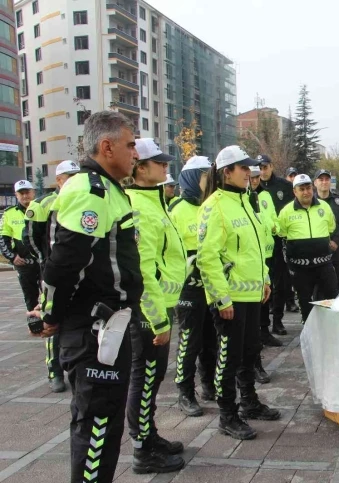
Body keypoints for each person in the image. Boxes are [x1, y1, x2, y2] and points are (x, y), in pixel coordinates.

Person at [28, 111, 143, 482]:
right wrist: (51, 314)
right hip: (94, 327)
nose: (135, 153)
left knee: (106, 426)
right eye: (130, 145)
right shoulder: (90, 189)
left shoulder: (109, 189)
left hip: (112, 323)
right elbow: (65, 263)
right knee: (95, 427)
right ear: (106, 147)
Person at [197, 145, 280, 441]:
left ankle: (249, 403)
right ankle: (227, 416)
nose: (250, 172)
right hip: (230, 300)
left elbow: (256, 248)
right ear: (226, 172)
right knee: (228, 360)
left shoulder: (247, 200)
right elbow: (207, 258)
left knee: (249, 352)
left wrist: (265, 278)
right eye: (243, 168)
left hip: (253, 294)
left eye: (250, 168)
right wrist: (221, 299)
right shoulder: (214, 205)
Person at [123, 139, 186, 474]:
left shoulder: (155, 199)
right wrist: (158, 319)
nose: (165, 167)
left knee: (153, 376)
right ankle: (141, 450)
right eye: (158, 163)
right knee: (145, 378)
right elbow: (144, 269)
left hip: (162, 304)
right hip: (150, 312)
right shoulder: (139, 205)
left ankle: (149, 437)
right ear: (139, 168)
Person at [23, 160, 81, 393]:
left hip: (77, 273)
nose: (75, 180)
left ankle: (75, 365)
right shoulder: (43, 204)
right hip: (50, 272)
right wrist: (46, 266)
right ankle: (53, 369)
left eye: (78, 175)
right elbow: (32, 239)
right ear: (58, 180)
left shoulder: (83, 199)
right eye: (69, 176)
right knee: (50, 317)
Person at [169, 155, 219, 415]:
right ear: (190, 179)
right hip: (188, 288)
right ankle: (185, 391)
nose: (209, 182)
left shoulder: (211, 206)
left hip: (212, 286)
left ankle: (208, 384)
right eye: (204, 177)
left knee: (212, 339)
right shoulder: (176, 210)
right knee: (190, 339)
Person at [277, 174, 338, 323]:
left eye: (308, 188)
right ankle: (308, 328)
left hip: (324, 264)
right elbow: (281, 232)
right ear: (295, 192)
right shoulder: (286, 211)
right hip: (300, 268)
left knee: (331, 295)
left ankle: (331, 326)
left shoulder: (324, 207)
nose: (306, 192)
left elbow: (331, 227)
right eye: (301, 189)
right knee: (304, 300)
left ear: (312, 188)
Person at [258, 154, 299, 336]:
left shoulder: (284, 186)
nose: (262, 171)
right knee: (265, 285)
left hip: (280, 243)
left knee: (281, 284)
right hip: (261, 247)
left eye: (265, 167)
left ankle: (278, 321)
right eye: (259, 167)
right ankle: (263, 324)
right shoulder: (253, 189)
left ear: (272, 167)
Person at [249, 164, 280, 383]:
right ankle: (252, 362)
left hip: (266, 253)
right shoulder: (240, 200)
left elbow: (271, 217)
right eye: (249, 176)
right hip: (248, 262)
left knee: (267, 296)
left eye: (255, 177)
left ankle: (264, 332)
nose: (253, 180)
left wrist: (273, 226)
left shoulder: (265, 195)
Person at [2, 180, 40, 316]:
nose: (25, 196)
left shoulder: (42, 208)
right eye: (21, 193)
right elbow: (3, 239)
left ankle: (51, 324)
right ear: (16, 195)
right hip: (24, 262)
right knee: (30, 296)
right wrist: (12, 257)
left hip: (43, 260)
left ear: (33, 192)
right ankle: (34, 322)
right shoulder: (9, 213)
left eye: (27, 192)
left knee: (50, 295)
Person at [314, 169, 339, 296]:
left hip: (336, 246)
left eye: (327, 179)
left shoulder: (338, 200)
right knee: (319, 282)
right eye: (321, 179)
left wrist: (336, 240)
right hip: (318, 247)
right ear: (315, 183)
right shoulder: (311, 202)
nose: (324, 182)